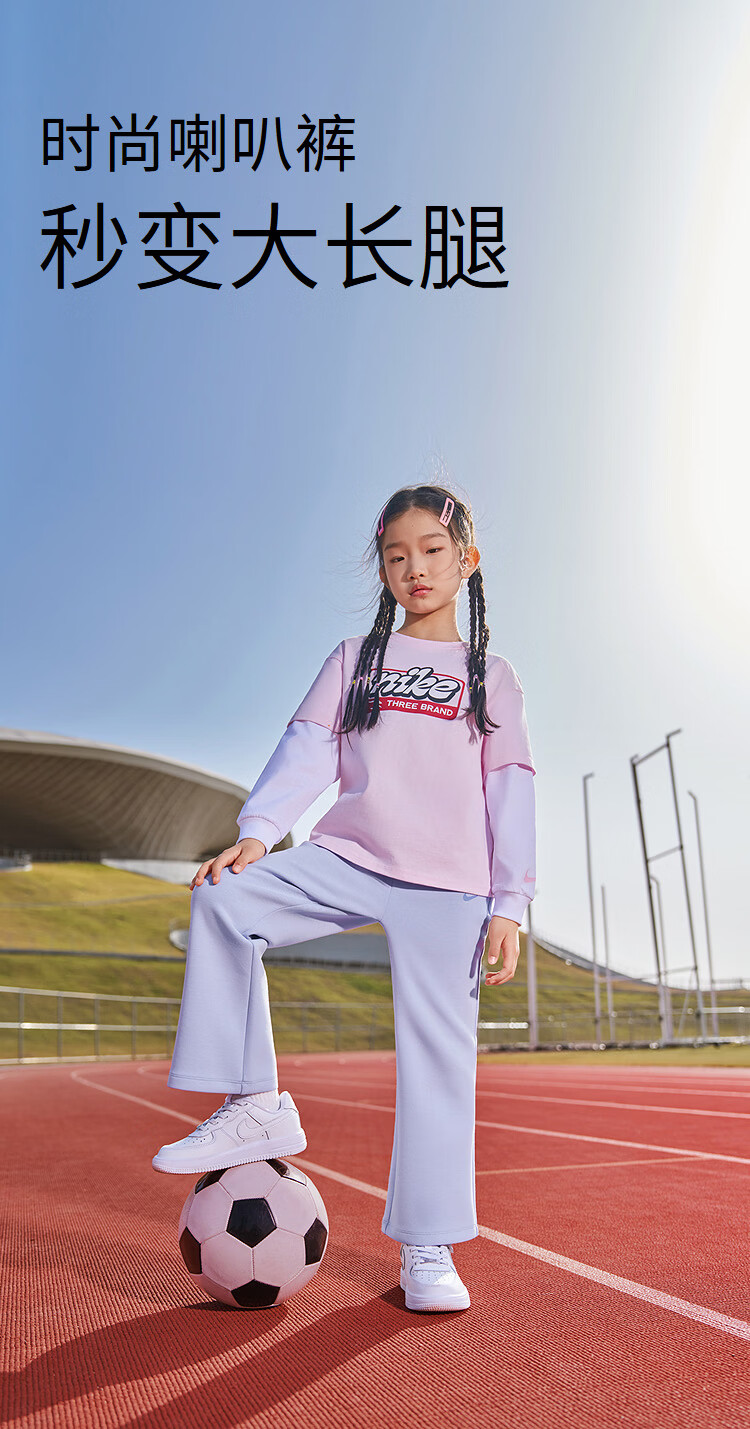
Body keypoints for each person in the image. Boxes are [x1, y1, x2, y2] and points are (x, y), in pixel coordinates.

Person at [152, 483, 537, 1314]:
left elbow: (511, 789)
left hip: (452, 886)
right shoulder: (355, 659)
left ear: (466, 561)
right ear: (383, 569)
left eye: (432, 550)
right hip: (350, 855)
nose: (414, 567)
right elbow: (307, 746)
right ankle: (253, 1099)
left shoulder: (491, 677)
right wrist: (260, 831)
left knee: (439, 1066)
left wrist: (511, 900)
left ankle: (429, 1246)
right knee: (224, 900)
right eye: (396, 556)